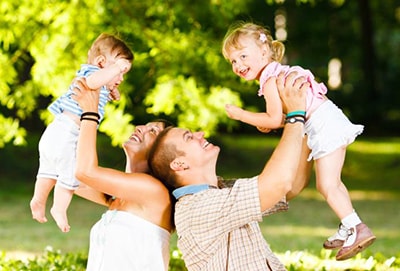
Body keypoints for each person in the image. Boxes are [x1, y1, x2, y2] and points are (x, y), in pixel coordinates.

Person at [221, 21, 375, 261]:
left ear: (263, 51)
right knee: (333, 182)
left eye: (242, 56)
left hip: (323, 126)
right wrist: (273, 121)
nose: (238, 64)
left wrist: (243, 115)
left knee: (327, 185)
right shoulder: (277, 72)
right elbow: (287, 117)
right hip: (327, 119)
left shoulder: (270, 80)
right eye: (233, 61)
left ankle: (357, 228)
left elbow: (273, 119)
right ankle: (348, 226)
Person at [147, 72, 313, 270]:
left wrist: (309, 123)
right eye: (189, 137)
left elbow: (290, 186)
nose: (200, 134)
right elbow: (278, 183)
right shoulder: (196, 208)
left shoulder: (221, 190)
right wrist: (295, 116)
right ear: (179, 164)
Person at [30, 33, 134, 232]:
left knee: (48, 171)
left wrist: (112, 91)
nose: (120, 76)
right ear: (102, 62)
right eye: (120, 70)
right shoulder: (90, 74)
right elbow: (94, 82)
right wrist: (113, 71)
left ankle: (38, 200)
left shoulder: (99, 79)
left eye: (123, 73)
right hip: (68, 133)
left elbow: (100, 86)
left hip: (56, 131)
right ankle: (59, 209)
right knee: (71, 174)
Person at [71, 77, 174, 271]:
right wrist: (93, 100)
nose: (140, 128)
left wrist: (91, 113)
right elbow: (66, 172)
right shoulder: (118, 198)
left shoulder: (154, 191)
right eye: (146, 125)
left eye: (153, 130)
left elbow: (84, 172)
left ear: (163, 152)